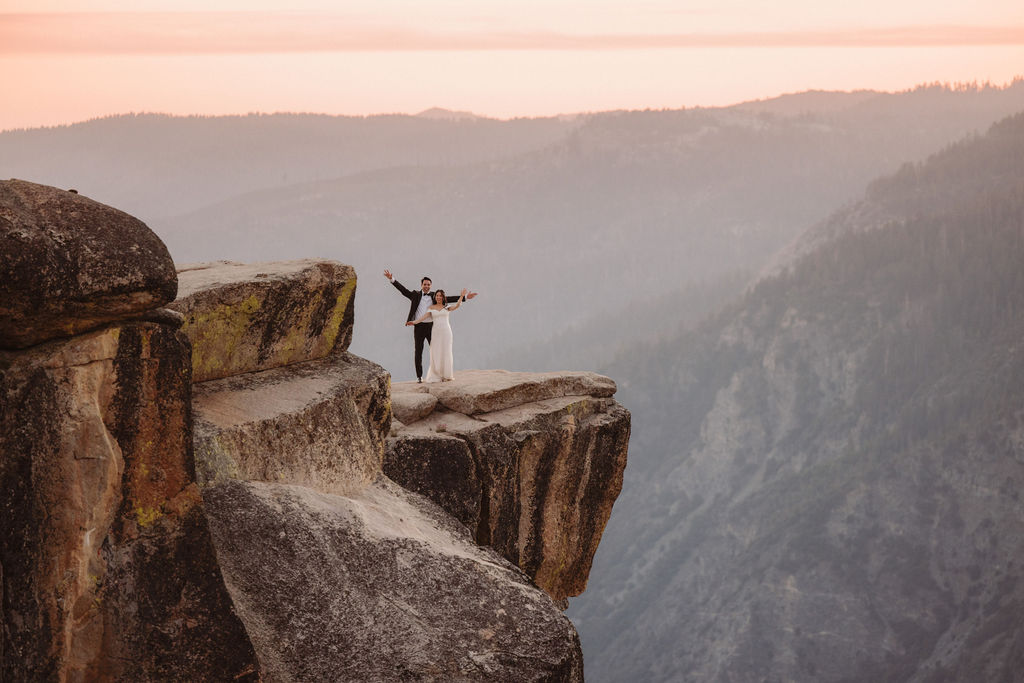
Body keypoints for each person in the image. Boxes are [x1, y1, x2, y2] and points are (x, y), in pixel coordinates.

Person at [384, 270, 477, 382]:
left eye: (428, 284)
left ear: (431, 285)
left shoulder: (435, 295)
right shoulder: (415, 295)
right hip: (418, 326)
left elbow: (448, 299)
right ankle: (419, 376)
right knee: (418, 351)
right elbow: (403, 290)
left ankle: (439, 373)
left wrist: (465, 297)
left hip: (433, 327)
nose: (427, 286)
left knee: (436, 350)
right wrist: (392, 279)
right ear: (421, 285)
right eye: (425, 284)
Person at [406, 288, 466, 382]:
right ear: (435, 297)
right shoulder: (431, 308)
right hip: (436, 332)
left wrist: (462, 296)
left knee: (446, 351)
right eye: (437, 295)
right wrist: (413, 322)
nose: (438, 297)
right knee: (436, 352)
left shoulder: (447, 307)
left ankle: (446, 374)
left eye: (440, 296)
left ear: (443, 297)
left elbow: (457, 306)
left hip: (446, 332)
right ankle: (437, 373)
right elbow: (423, 317)